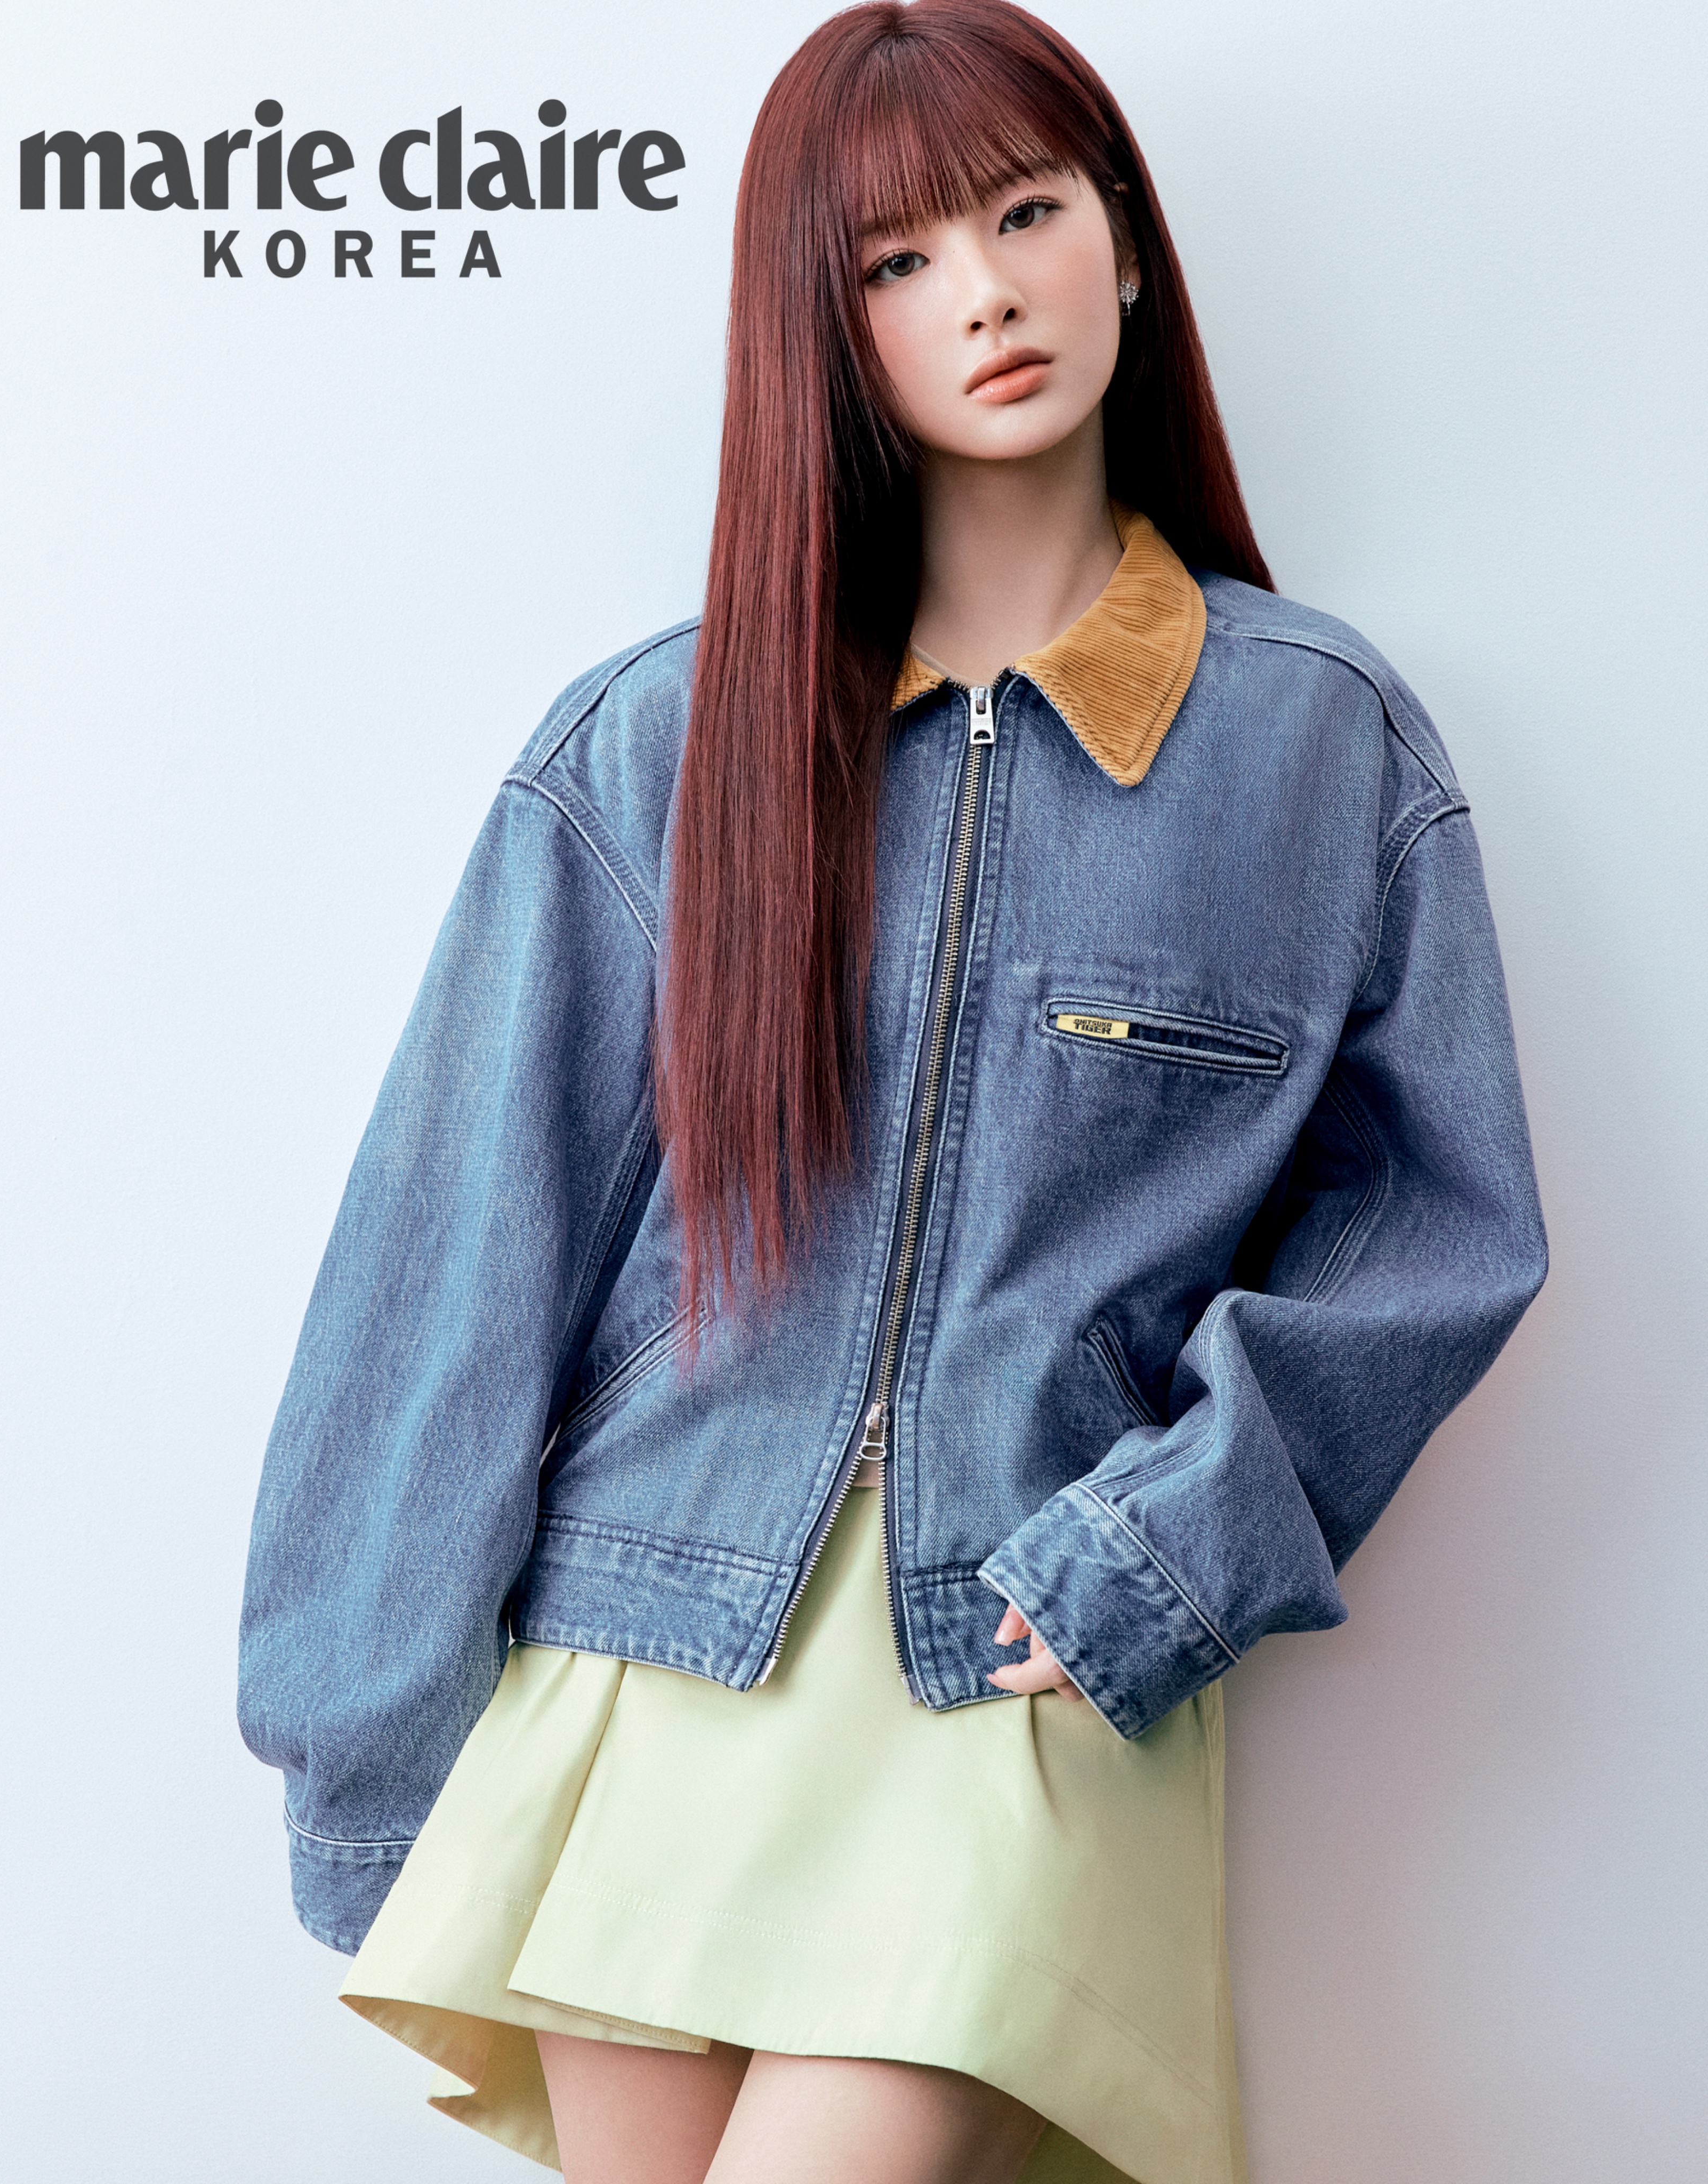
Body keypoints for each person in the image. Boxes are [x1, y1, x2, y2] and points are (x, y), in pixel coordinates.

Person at [238, 4, 1546, 2179]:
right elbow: (456, 1256)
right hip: (646, 1646)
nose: (987, 294)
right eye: (899, 261)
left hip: (1015, 1666)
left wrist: (1168, 1546)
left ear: (1125, 241)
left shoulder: (1315, 745)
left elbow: (1439, 1226)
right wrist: (367, 1748)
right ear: (822, 332)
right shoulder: (657, 744)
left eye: (1027, 215)